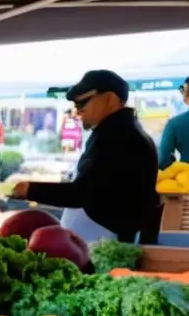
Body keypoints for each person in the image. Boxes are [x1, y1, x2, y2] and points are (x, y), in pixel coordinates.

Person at [11, 70, 159, 244]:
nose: (78, 111)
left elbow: (85, 192)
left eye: (82, 103)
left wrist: (30, 190)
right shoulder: (117, 131)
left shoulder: (118, 137)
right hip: (95, 239)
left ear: (110, 99)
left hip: (105, 240)